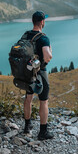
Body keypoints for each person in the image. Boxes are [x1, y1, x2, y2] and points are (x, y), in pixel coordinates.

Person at [23, 11, 54, 140]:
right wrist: (45, 60)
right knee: (43, 101)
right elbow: (48, 56)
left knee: (28, 98)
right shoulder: (43, 38)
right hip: (40, 73)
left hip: (28, 72)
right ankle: (43, 132)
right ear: (42, 22)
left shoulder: (26, 35)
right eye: (44, 20)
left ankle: (27, 126)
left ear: (32, 21)